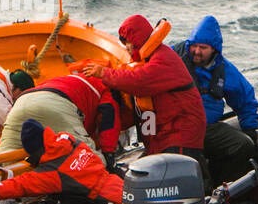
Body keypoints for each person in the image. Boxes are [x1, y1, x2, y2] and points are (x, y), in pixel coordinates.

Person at [79, 15, 206, 168]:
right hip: (164, 132)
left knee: (176, 171)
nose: (126, 47)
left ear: (137, 40)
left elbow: (139, 81)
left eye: (128, 42)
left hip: (181, 131)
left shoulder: (162, 58)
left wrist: (104, 73)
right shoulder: (148, 60)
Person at [0, 120, 123, 204]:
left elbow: (18, 186)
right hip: (120, 186)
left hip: (107, 202)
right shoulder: (70, 141)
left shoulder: (51, 173)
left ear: (34, 151)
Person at [175, 16, 258, 186]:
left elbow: (245, 98)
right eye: (194, 46)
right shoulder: (173, 58)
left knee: (243, 145)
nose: (197, 51)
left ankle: (224, 187)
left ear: (214, 49)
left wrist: (249, 128)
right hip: (178, 127)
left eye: (203, 48)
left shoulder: (224, 69)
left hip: (208, 128)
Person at [0, 71, 122, 163]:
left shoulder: (67, 79)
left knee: (4, 161)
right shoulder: (106, 87)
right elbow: (109, 120)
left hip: (21, 104)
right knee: (91, 160)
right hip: (55, 104)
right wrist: (108, 154)